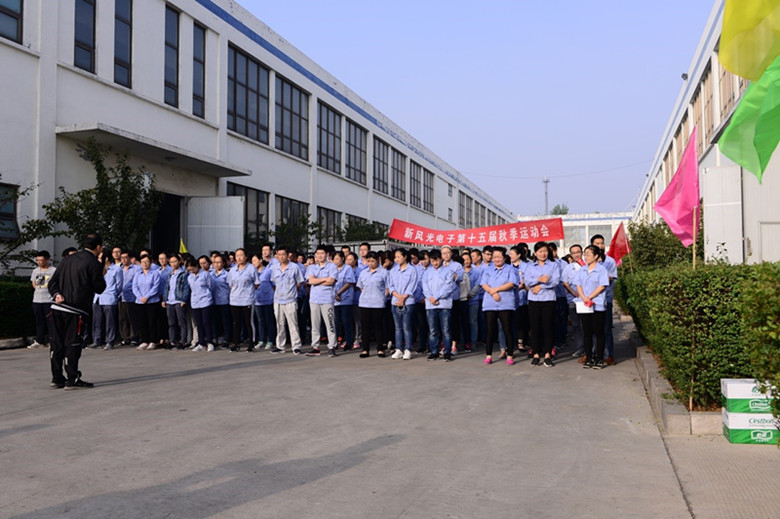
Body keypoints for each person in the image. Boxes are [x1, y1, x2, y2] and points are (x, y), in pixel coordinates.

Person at [46, 233, 106, 389]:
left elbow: (52, 282)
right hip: (75, 310)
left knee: (56, 344)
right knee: (72, 344)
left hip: (57, 307)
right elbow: (99, 288)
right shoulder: (93, 263)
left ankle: (57, 378)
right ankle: (72, 378)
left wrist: (56, 294)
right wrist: (102, 273)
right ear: (98, 247)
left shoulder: (68, 259)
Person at [480, 247, 519, 365]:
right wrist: (492, 292)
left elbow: (512, 283)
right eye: (495, 257)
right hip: (490, 303)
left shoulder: (510, 269)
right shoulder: (488, 269)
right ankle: (488, 355)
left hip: (505, 303)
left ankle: (510, 355)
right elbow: (483, 284)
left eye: (499, 257)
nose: (497, 259)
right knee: (490, 330)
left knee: (507, 329)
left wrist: (495, 290)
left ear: (504, 258)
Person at [525, 241, 560, 367]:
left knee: (548, 327)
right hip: (534, 300)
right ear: (535, 253)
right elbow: (527, 281)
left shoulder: (554, 265)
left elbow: (555, 281)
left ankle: (547, 354)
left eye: (545, 251)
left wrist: (540, 286)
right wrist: (539, 279)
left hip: (548, 299)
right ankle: (536, 353)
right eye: (540, 251)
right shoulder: (530, 266)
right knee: (535, 328)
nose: (543, 254)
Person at [576, 245, 610, 369]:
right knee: (587, 332)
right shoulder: (582, 270)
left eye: (588, 254)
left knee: (599, 332)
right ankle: (589, 357)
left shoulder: (602, 270)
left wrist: (589, 297)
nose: (586, 257)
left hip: (597, 304)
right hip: (585, 305)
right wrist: (584, 298)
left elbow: (602, 286)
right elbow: (578, 285)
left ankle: (599, 358)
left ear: (596, 256)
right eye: (585, 254)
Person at [305, 245, 339, 357]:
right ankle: (315, 347)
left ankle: (332, 346)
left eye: (322, 253)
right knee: (315, 324)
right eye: (318, 253)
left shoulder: (332, 266)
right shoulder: (312, 267)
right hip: (314, 299)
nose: (320, 256)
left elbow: (331, 281)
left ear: (327, 255)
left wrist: (317, 281)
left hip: (327, 299)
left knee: (330, 324)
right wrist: (324, 279)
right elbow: (310, 281)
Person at [270, 245, 304, 354]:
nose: (281, 257)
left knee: (293, 324)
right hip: (278, 300)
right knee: (279, 324)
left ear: (288, 255)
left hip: (290, 300)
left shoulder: (294, 267)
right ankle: (280, 346)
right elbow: (273, 284)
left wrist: (292, 292)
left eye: (283, 254)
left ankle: (296, 346)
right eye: (279, 255)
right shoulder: (274, 268)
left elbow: (299, 282)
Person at [422, 249, 456, 361]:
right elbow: (425, 287)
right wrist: (431, 298)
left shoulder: (448, 271)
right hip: (430, 305)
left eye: (436, 260)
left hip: (444, 304)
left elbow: (448, 288)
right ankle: (434, 351)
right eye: (432, 261)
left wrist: (436, 297)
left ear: (441, 259)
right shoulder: (427, 272)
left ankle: (447, 352)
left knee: (446, 330)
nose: (435, 263)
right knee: (433, 330)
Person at [591, 234, 618, 365]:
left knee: (606, 329)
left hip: (605, 300)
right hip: (590, 301)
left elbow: (611, 280)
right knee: (592, 330)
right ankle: (593, 354)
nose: (600, 245)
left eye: (602, 243)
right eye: (597, 243)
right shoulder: (588, 262)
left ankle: (609, 355)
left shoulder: (610, 261)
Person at [356, 251, 389, 358]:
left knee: (378, 327)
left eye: (373, 261)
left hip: (378, 303)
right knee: (365, 327)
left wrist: (383, 297)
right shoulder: (363, 273)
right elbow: (361, 287)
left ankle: (380, 349)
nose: (370, 263)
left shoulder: (383, 272)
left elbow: (387, 288)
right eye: (369, 261)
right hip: (364, 303)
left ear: (378, 261)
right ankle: (365, 349)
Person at [388, 248, 418, 360]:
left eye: (399, 257)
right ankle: (398, 349)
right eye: (395, 257)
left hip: (408, 302)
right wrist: (398, 297)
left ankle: (408, 349)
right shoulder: (393, 270)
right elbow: (390, 285)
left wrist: (403, 297)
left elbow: (412, 285)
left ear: (405, 257)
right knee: (397, 327)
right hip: (395, 301)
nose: (396, 259)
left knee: (406, 326)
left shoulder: (412, 270)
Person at [227, 248, 258, 352]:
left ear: (246, 256)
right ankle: (236, 344)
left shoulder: (251, 269)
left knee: (249, 322)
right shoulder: (232, 270)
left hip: (247, 299)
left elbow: (256, 283)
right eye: (237, 256)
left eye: (241, 255)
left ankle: (251, 344)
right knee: (236, 323)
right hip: (235, 300)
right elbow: (230, 284)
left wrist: (248, 291)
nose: (239, 258)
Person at [91, 253, 123, 350]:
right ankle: (97, 340)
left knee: (110, 322)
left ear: (106, 258)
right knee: (97, 321)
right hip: (97, 297)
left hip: (109, 297)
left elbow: (119, 285)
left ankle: (110, 341)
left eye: (100, 258)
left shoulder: (116, 269)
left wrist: (114, 294)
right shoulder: (97, 269)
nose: (98, 260)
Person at [132, 254, 162, 350]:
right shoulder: (137, 274)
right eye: (142, 262)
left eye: (147, 262)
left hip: (152, 301)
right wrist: (140, 297)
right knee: (142, 322)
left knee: (152, 322)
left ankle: (153, 341)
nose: (144, 264)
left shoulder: (155, 273)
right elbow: (134, 287)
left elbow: (155, 287)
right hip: (140, 302)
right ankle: (144, 341)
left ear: (151, 262)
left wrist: (147, 297)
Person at [161, 252, 190, 350]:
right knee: (171, 323)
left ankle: (183, 341)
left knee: (181, 323)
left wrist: (184, 299)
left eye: (175, 261)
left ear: (179, 261)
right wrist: (164, 299)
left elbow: (186, 287)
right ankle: (172, 341)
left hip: (178, 300)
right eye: (171, 262)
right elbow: (167, 287)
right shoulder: (170, 274)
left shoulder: (184, 274)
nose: (173, 263)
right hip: (170, 301)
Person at [186, 256, 214, 352]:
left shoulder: (205, 274)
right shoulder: (190, 277)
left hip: (206, 301)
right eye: (189, 270)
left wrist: (207, 295)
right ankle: (201, 343)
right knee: (198, 323)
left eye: (192, 269)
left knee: (206, 322)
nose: (191, 271)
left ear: (197, 266)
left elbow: (211, 286)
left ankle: (210, 342)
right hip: (195, 302)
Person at [562, 244, 585, 359]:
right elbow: (565, 283)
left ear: (582, 252)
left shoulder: (586, 265)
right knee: (576, 325)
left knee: (585, 325)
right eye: (574, 253)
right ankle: (580, 347)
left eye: (578, 252)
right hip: (573, 300)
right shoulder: (568, 268)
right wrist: (574, 293)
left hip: (586, 300)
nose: (576, 254)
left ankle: (589, 348)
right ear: (571, 255)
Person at [30, 250, 55, 349]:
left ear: (47, 260)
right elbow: (33, 282)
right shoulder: (36, 271)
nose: (39, 262)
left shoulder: (53, 270)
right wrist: (37, 288)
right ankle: (39, 340)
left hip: (49, 299)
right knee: (39, 321)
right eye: (38, 260)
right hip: (37, 299)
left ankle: (52, 340)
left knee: (50, 321)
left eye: (41, 260)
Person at [333, 251, 355, 350]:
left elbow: (349, 282)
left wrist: (339, 293)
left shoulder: (347, 268)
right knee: (336, 321)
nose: (336, 261)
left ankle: (349, 341)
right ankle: (337, 340)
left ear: (342, 259)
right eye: (334, 259)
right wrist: (335, 294)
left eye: (337, 259)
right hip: (334, 299)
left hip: (345, 298)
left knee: (346, 321)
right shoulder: (332, 268)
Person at [252, 256, 276, 351]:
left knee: (269, 320)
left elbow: (274, 285)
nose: (253, 262)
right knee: (260, 321)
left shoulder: (268, 271)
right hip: (257, 300)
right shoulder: (253, 272)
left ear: (260, 260)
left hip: (268, 300)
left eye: (255, 260)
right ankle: (261, 340)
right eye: (252, 261)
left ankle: (270, 340)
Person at [210, 253, 231, 348]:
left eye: (219, 262)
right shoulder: (210, 274)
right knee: (215, 321)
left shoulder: (227, 274)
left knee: (225, 321)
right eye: (215, 262)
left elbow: (230, 287)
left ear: (223, 263)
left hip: (224, 301)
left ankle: (226, 339)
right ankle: (216, 338)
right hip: (213, 301)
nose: (217, 264)